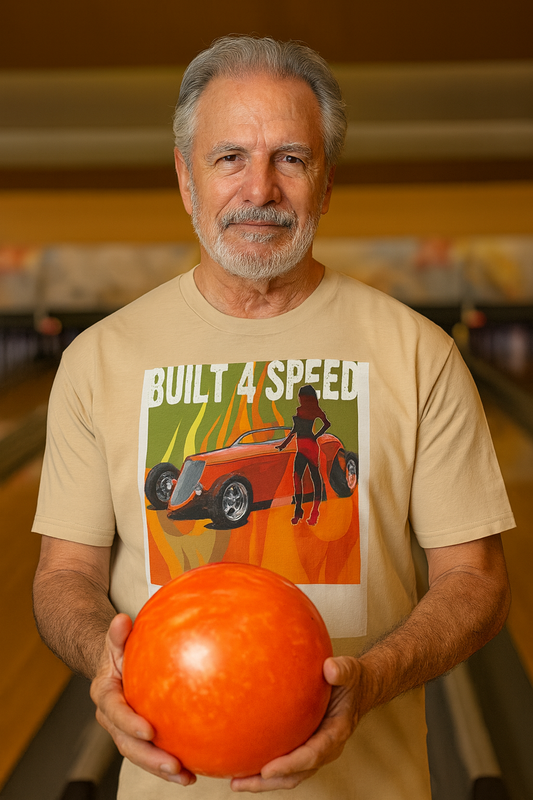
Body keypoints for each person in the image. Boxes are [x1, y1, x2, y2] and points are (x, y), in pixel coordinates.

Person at [32, 35, 514, 800]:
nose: (259, 188)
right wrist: (106, 659)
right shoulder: (98, 358)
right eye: (229, 158)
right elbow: (65, 574)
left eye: (290, 157)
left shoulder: (418, 354)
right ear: (186, 180)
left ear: (325, 184)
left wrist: (370, 677)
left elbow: (475, 580)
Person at [276, 384, 331, 525]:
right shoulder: (301, 411)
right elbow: (295, 430)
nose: (299, 398)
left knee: (315, 479)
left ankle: (314, 511)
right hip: (302, 448)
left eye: (300, 396)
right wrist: (284, 444)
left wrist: (316, 436)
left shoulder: (315, 410)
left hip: (310, 448)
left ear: (305, 397)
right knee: (297, 478)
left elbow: (327, 424)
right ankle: (298, 510)